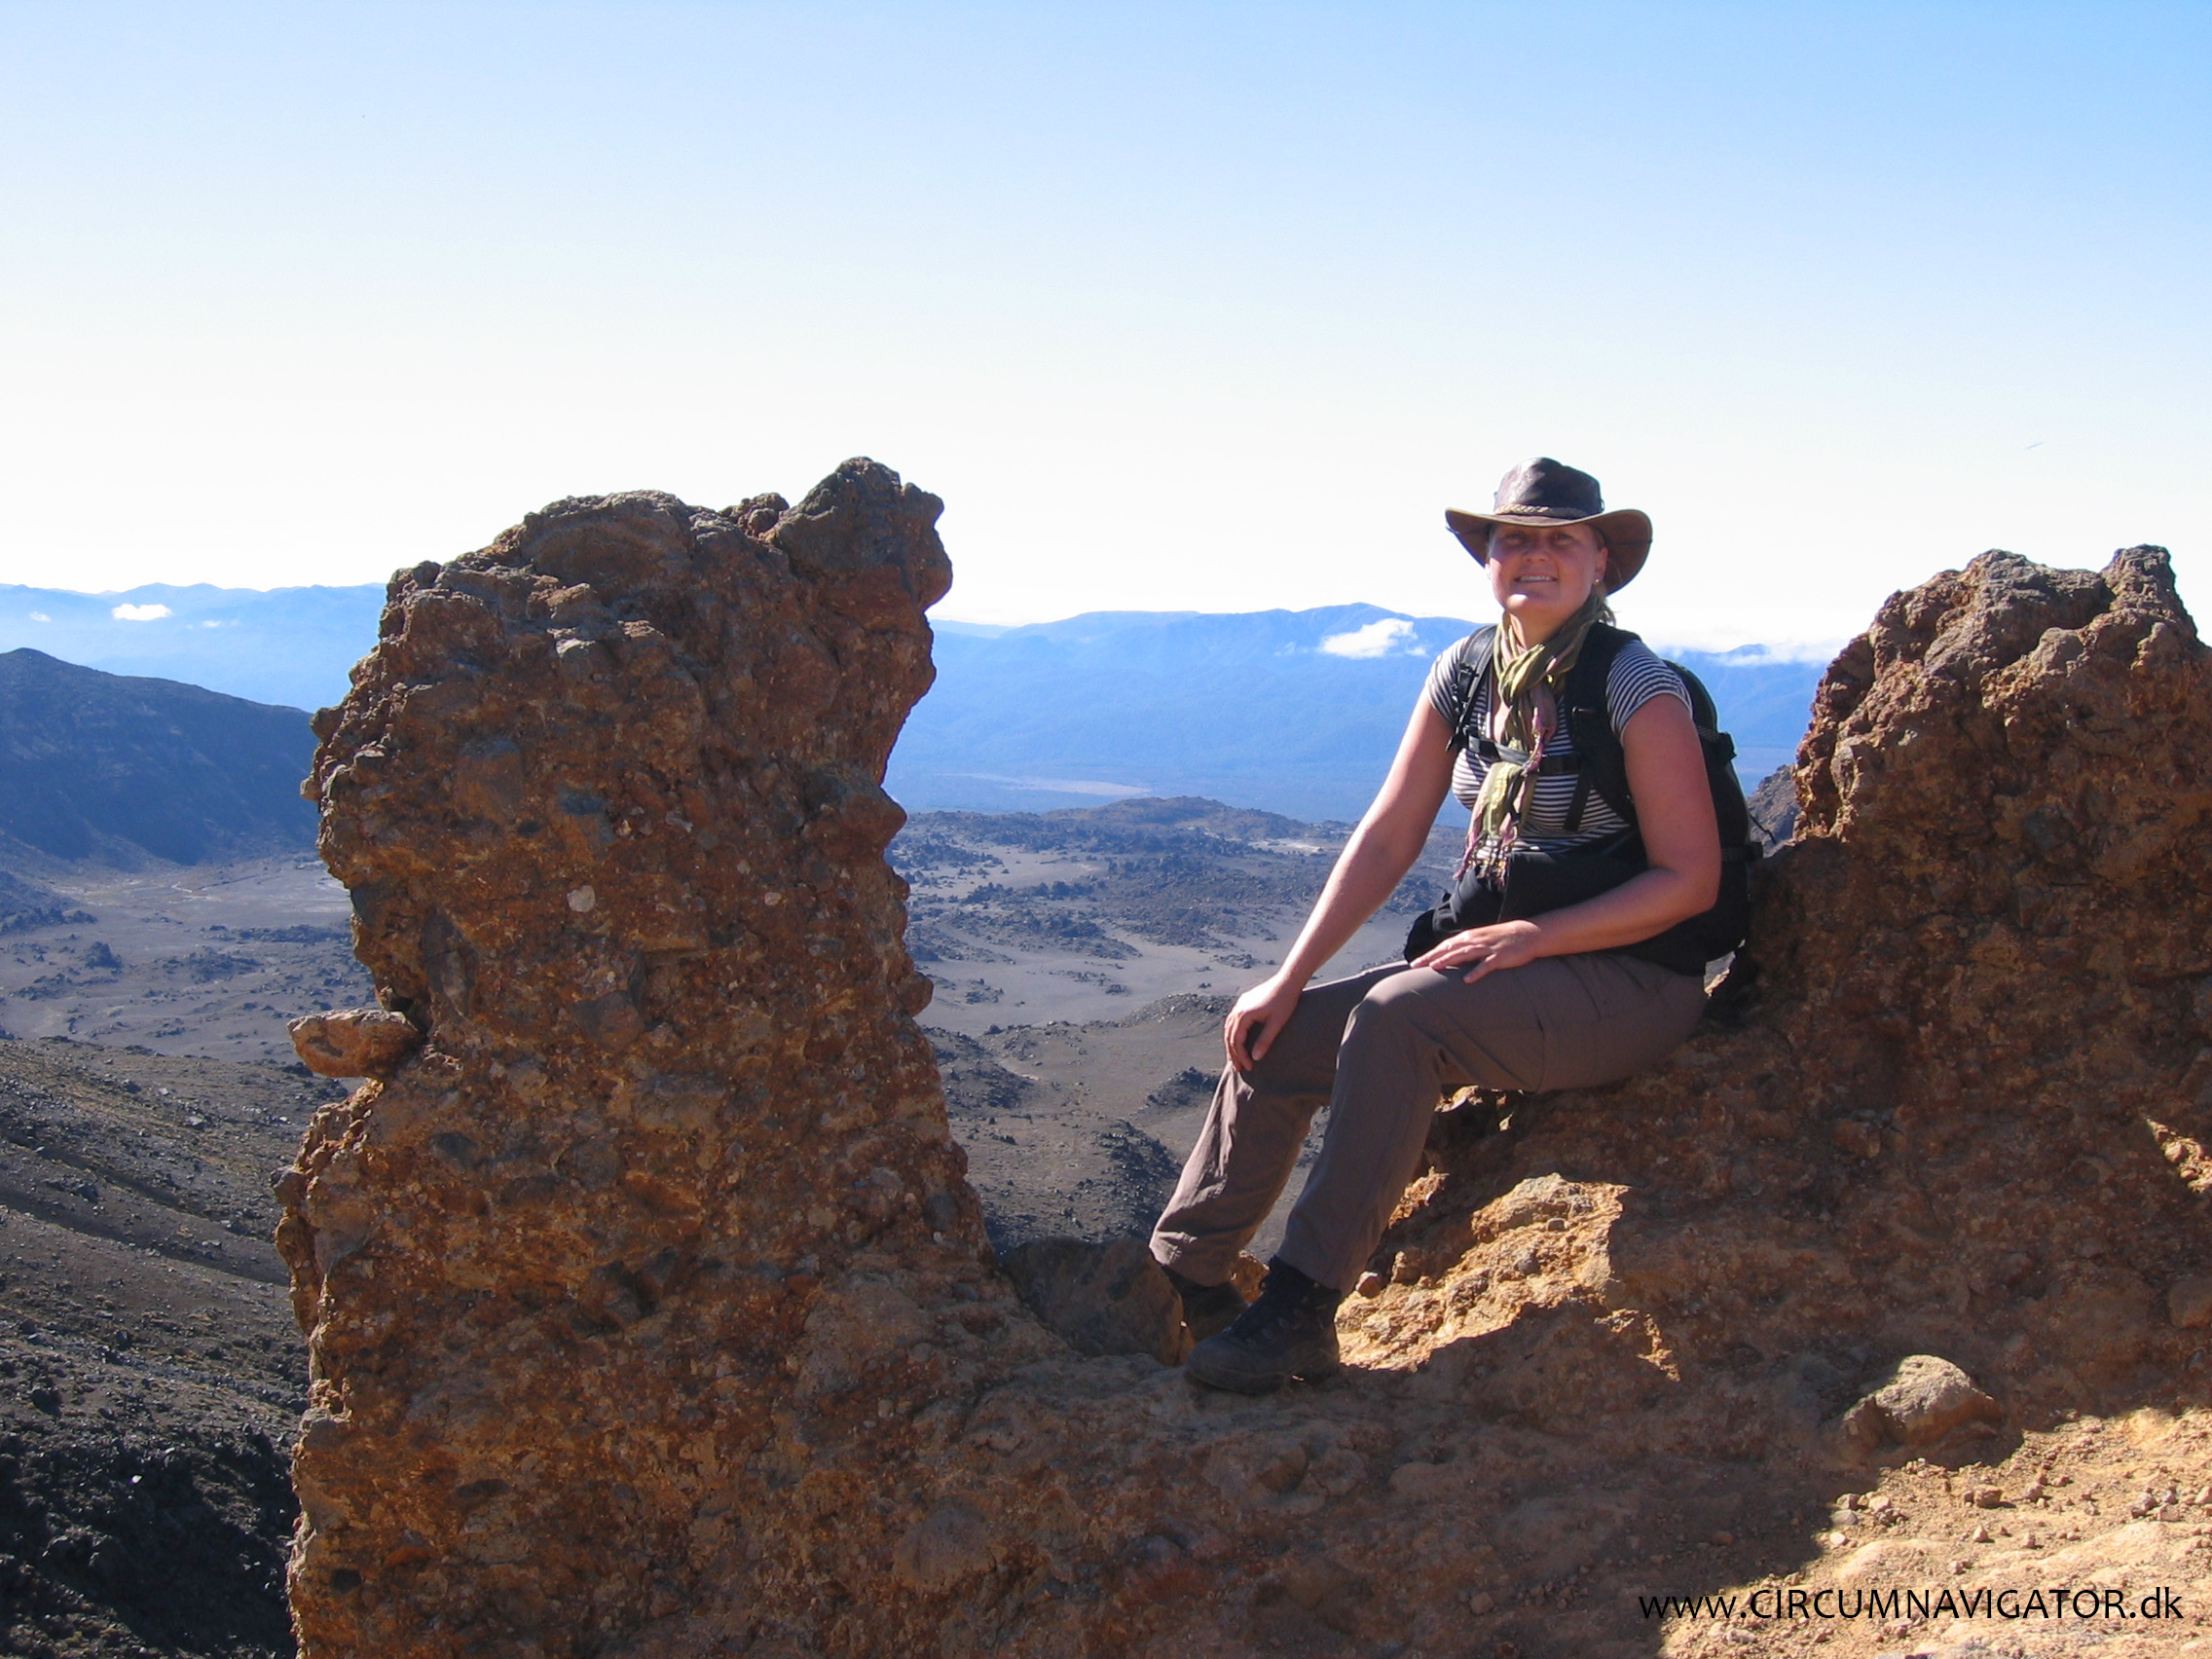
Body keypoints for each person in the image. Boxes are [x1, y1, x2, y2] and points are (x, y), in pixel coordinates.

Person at [1149, 457, 1720, 1393]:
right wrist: (1288, 978)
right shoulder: (1465, 674)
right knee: (1276, 1039)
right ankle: (1185, 1282)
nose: (1533, 557)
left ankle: (1299, 1310)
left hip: (1632, 980)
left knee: (1401, 1018)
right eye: (1513, 540)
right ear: (1489, 557)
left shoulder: (1635, 689)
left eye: (1560, 541)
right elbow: (1388, 834)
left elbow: (1689, 881)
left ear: (1600, 563)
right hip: (1504, 969)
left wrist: (1539, 937)